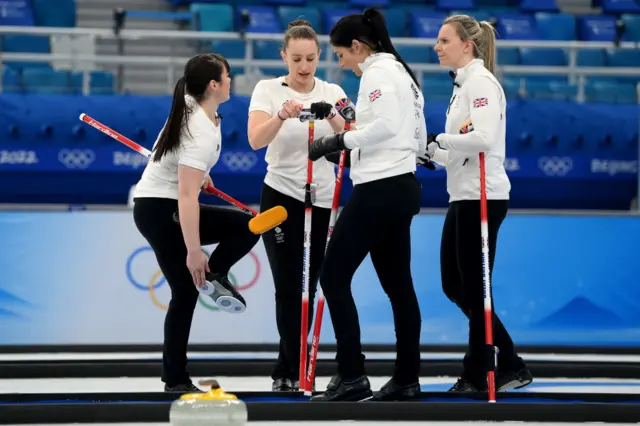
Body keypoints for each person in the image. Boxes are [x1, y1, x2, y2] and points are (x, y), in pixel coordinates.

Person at [303, 7, 426, 402]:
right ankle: (406, 377)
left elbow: (387, 126)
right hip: (400, 184)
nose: (342, 64)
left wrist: (339, 142)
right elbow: (412, 134)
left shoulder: (377, 72)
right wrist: (350, 146)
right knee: (398, 287)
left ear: (358, 46)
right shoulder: (403, 74)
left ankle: (352, 374)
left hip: (380, 189)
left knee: (333, 275)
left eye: (341, 55)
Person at [417, 14, 533, 393]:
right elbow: (460, 148)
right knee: (456, 285)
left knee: (474, 287)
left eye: (444, 40)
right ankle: (510, 362)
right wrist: (433, 152)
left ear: (466, 45)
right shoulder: (462, 85)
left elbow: (483, 138)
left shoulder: (481, 82)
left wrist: (443, 141)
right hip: (464, 194)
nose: (437, 46)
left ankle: (479, 371)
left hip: (483, 195)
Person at [132, 53, 260, 392]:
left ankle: (175, 375)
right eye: (227, 76)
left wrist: (200, 173)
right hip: (161, 209)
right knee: (245, 228)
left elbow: (182, 172)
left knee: (244, 228)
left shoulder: (197, 106)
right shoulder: (197, 129)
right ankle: (212, 277)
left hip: (161, 203)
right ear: (214, 85)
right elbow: (186, 198)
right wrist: (194, 251)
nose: (232, 81)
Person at [247, 20, 349, 392]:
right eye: (296, 59)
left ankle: (297, 365)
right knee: (287, 285)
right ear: (284, 57)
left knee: (310, 284)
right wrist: (281, 115)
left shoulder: (333, 90)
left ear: (319, 56)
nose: (304, 67)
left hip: (320, 199)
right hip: (280, 196)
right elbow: (256, 140)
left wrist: (333, 116)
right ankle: (287, 370)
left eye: (310, 59)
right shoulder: (268, 89)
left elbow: (354, 141)